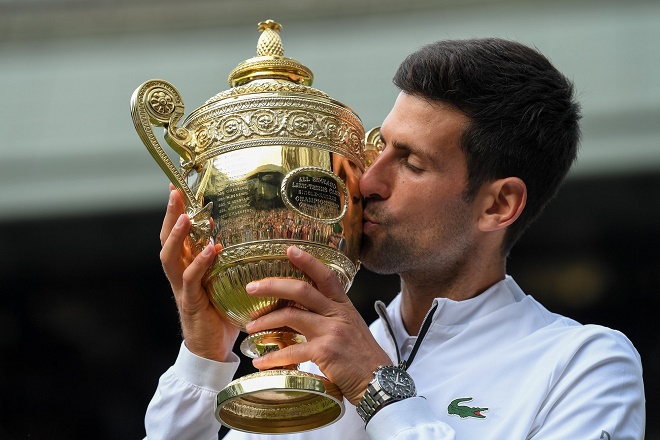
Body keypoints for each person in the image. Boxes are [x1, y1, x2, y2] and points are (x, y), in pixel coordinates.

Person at [144, 38, 645, 439]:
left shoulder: (584, 363)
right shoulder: (310, 363)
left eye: (411, 162)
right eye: (379, 147)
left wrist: (378, 389)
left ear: (498, 205)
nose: (366, 182)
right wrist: (203, 360)